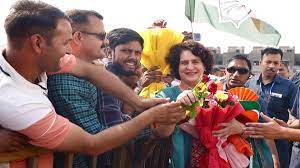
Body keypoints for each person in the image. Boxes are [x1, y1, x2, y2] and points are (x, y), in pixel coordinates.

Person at [0, 1, 185, 167]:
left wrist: (140, 103)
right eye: (65, 42)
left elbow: (93, 72)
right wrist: (152, 116)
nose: (68, 50)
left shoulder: (43, 60)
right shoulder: (17, 102)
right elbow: (93, 143)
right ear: (38, 43)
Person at [154, 41, 244, 168]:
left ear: (204, 66)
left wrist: (239, 128)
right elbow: (160, 133)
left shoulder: (220, 96)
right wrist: (178, 108)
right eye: (184, 63)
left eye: (195, 62)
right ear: (176, 67)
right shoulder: (164, 96)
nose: (190, 67)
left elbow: (251, 129)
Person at [223, 54, 279, 167]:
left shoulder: (256, 100)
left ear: (249, 76)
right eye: (231, 69)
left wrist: (275, 159)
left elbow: (267, 131)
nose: (235, 74)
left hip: (246, 155)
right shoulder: (210, 94)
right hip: (215, 154)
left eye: (242, 71)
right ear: (225, 72)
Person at [245, 47, 298, 168]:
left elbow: (296, 116)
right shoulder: (250, 83)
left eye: (276, 63)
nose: (272, 66)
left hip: (279, 142)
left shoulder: (289, 86)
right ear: (260, 63)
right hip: (254, 141)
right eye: (268, 62)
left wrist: (287, 127)